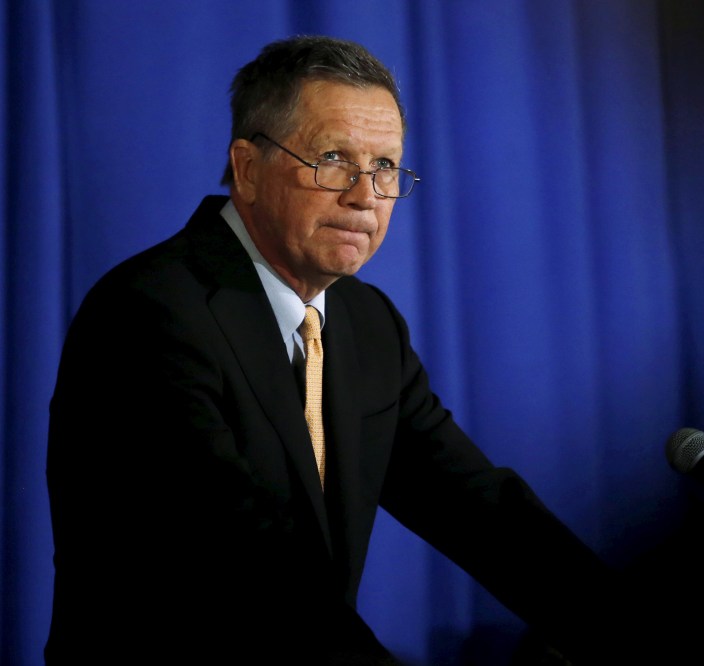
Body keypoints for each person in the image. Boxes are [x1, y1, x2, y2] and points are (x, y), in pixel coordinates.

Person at [45, 35, 645, 665]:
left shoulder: (367, 325)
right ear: (247, 169)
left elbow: (476, 508)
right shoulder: (149, 314)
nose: (365, 195)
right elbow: (243, 569)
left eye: (385, 167)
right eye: (333, 158)